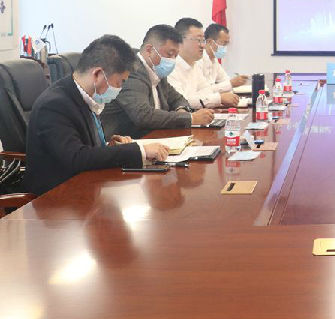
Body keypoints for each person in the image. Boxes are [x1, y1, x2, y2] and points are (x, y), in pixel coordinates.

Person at [23, 35, 170, 195]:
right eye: (120, 82)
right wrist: (139, 151)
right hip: (55, 197)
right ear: (98, 74)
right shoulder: (54, 105)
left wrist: (107, 146)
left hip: (84, 185)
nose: (119, 88)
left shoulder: (84, 95)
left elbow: (82, 146)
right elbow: (76, 157)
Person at [101, 24, 214, 138]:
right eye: (169, 54)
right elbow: (143, 115)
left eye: (175, 56)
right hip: (127, 141)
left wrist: (182, 110)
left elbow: (177, 98)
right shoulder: (131, 71)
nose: (172, 60)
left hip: (155, 137)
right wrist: (191, 118)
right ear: (149, 50)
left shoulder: (157, 70)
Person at [168, 17, 239, 109]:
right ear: (180, 40)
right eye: (198, 40)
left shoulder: (194, 65)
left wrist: (199, 98)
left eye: (203, 40)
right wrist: (219, 98)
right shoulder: (170, 68)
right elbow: (182, 101)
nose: (203, 45)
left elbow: (207, 91)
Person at [202, 23, 248, 92]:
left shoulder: (214, 60)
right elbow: (203, 91)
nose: (225, 47)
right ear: (210, 42)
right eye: (224, 43)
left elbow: (225, 80)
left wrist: (237, 81)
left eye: (227, 44)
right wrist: (231, 83)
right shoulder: (198, 61)